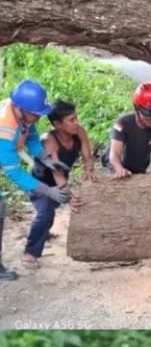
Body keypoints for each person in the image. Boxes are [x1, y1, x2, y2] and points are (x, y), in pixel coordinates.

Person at [0, 81, 72, 281]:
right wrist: (48, 191)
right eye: (36, 113)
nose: (39, 117)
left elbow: (31, 139)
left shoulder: (24, 117)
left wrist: (48, 161)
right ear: (22, 109)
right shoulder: (5, 130)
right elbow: (14, 173)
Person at [24, 100, 95, 268]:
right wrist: (70, 198)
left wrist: (89, 171)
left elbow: (87, 155)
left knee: (51, 209)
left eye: (76, 117)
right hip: (40, 183)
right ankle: (30, 253)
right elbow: (58, 173)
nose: (76, 123)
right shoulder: (49, 141)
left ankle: (44, 231)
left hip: (60, 179)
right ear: (57, 124)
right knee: (46, 211)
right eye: (71, 120)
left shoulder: (79, 132)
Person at [102, 82, 151, 178]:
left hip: (142, 166)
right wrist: (118, 167)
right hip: (118, 164)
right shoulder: (122, 123)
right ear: (136, 109)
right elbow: (114, 153)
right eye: (147, 117)